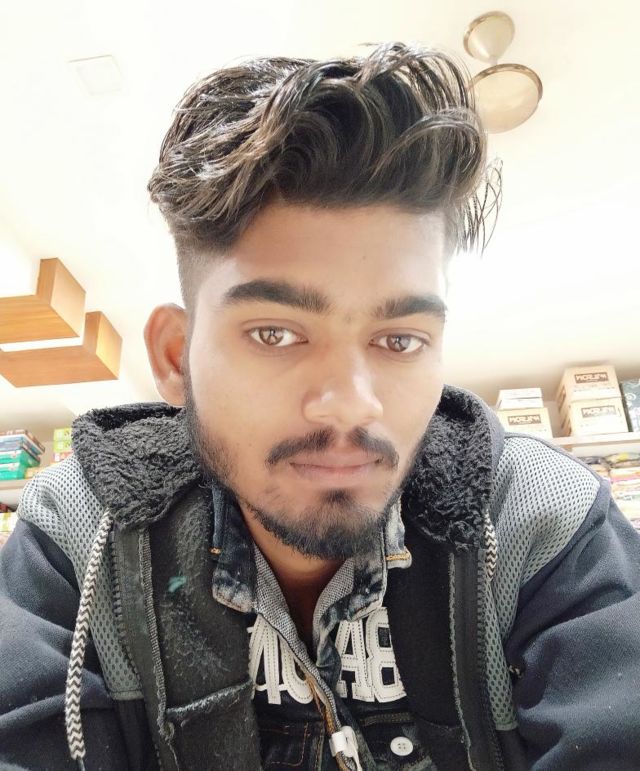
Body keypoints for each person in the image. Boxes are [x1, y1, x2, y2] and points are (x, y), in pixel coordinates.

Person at [0, 42, 638, 771]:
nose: (351, 405)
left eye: (399, 339)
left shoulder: (539, 521)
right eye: (276, 333)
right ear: (177, 359)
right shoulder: (82, 536)